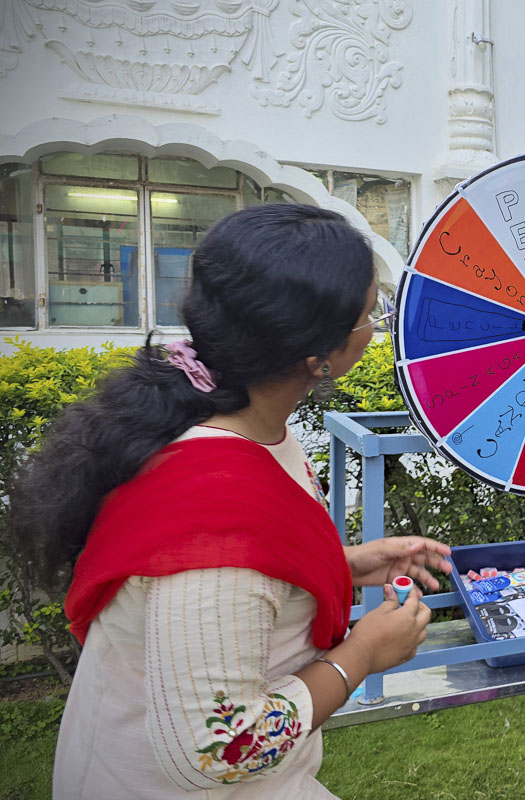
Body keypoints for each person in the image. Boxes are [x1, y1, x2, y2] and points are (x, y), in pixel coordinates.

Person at [10, 204, 453, 799]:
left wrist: (342, 564)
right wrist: (363, 653)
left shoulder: (237, 423)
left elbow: (249, 564)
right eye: (369, 313)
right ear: (318, 354)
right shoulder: (210, 509)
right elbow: (217, 749)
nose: (376, 326)